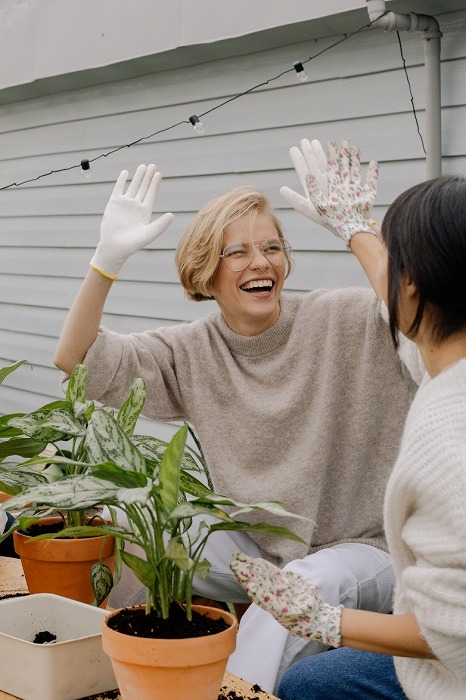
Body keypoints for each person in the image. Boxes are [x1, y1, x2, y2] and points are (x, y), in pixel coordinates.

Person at [53, 144, 421, 693]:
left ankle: (233, 691)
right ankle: (109, 677)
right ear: (206, 269)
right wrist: (106, 263)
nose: (261, 262)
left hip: (362, 550)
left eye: (273, 247)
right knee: (143, 527)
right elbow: (75, 361)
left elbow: (420, 314)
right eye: (239, 252)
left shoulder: (342, 317)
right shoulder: (191, 349)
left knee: (294, 588)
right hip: (262, 542)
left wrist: (355, 228)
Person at [230, 170, 466, 699]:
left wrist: (324, 620)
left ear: (411, 284)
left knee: (309, 687)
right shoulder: (443, 365)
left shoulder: (449, 443)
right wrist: (355, 227)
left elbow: (453, 631)